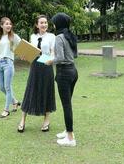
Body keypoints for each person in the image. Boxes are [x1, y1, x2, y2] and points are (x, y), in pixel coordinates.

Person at [18, 15, 56, 133]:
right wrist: (24, 56)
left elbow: (53, 52)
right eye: (41, 23)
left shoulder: (51, 36)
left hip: (46, 65)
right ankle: (22, 120)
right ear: (37, 25)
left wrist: (52, 60)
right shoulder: (33, 36)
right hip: (35, 66)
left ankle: (46, 120)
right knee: (30, 90)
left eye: (45, 22)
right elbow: (31, 52)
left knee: (46, 90)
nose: (44, 25)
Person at [46, 12, 78, 147]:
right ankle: (67, 131)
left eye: (54, 22)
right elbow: (74, 55)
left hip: (64, 73)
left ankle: (70, 138)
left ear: (58, 23)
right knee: (68, 104)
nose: (53, 24)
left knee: (66, 106)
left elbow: (60, 58)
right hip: (73, 71)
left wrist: (49, 61)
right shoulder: (69, 35)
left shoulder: (59, 37)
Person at [0, 17, 21, 118]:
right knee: (1, 87)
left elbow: (23, 46)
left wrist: (23, 54)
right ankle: (15, 101)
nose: (9, 26)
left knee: (7, 87)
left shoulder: (14, 36)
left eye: (10, 24)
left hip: (8, 63)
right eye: (6, 24)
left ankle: (6, 110)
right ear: (1, 25)